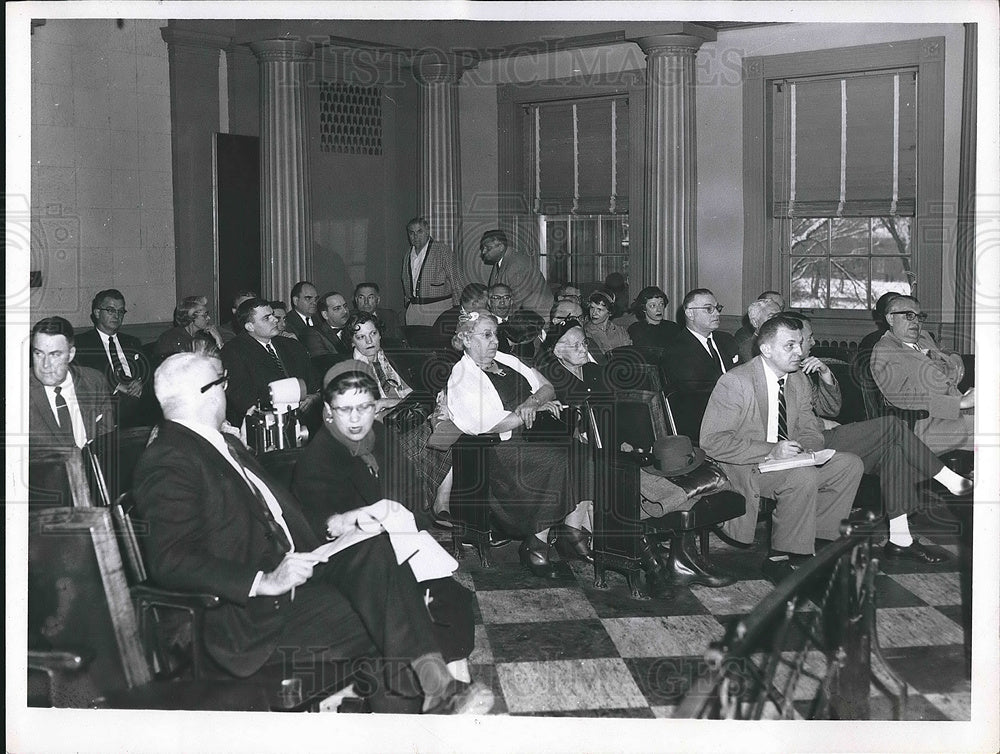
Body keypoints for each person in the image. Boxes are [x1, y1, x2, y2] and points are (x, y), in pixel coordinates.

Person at [132, 352, 493, 715]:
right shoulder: (169, 456)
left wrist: (343, 527)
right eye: (222, 381)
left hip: (303, 568)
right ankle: (429, 699)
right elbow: (171, 558)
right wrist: (263, 580)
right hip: (251, 614)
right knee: (399, 608)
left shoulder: (221, 443)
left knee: (380, 554)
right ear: (207, 392)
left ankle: (435, 692)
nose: (227, 390)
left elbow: (276, 518)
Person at [290, 364, 472, 673]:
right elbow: (320, 526)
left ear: (376, 407)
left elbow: (412, 495)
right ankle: (447, 687)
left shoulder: (382, 434)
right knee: (422, 597)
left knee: (448, 595)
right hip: (350, 558)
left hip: (399, 541)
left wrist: (404, 525)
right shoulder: (319, 455)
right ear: (330, 412)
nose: (356, 418)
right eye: (345, 409)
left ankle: (457, 682)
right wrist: (358, 520)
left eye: (364, 407)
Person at [789, 313, 970, 563]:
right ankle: (952, 481)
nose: (812, 341)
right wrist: (820, 423)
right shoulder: (779, 371)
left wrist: (826, 374)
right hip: (809, 440)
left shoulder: (801, 370)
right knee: (893, 425)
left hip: (824, 433)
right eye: (808, 338)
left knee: (894, 452)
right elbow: (789, 422)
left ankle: (900, 539)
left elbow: (831, 409)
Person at [700, 315, 865, 583]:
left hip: (787, 462)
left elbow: (811, 429)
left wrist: (809, 453)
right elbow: (713, 442)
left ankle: (817, 542)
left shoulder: (797, 380)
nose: (800, 352)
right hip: (748, 466)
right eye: (790, 346)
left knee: (849, 464)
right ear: (766, 349)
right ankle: (781, 558)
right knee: (802, 476)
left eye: (800, 343)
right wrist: (772, 450)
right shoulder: (736, 382)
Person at [447, 311, 591, 576]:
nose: (494, 341)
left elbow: (547, 387)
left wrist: (532, 404)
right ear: (466, 340)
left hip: (532, 436)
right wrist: (529, 413)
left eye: (495, 334)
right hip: (497, 450)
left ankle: (572, 532)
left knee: (584, 453)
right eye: (486, 335)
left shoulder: (506, 359)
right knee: (560, 459)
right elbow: (486, 425)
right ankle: (536, 544)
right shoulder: (461, 377)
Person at [871, 296, 974, 453]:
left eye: (919, 317)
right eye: (909, 315)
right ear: (891, 318)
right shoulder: (884, 350)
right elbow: (903, 397)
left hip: (952, 415)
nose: (916, 322)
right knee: (988, 427)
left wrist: (953, 354)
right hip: (922, 425)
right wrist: (960, 403)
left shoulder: (924, 338)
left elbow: (942, 353)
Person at [221, 298, 320, 429]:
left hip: (305, 424)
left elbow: (314, 383)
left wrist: (314, 397)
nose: (275, 320)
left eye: (273, 314)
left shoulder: (292, 345)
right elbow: (242, 399)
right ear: (250, 326)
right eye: (267, 318)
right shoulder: (233, 352)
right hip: (263, 428)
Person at [29, 316, 115, 451]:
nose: (45, 365)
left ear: (71, 354)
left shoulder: (94, 381)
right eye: (39, 354)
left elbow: (106, 436)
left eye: (55, 355)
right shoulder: (18, 390)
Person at [73, 288, 149, 427]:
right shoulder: (82, 343)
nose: (117, 315)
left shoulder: (132, 342)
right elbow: (83, 378)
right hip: (108, 405)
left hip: (139, 402)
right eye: (111, 310)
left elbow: (146, 370)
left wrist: (140, 382)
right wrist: (118, 386)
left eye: (121, 311)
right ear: (97, 313)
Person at [661, 288, 739, 392]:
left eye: (717, 308)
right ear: (690, 314)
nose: (717, 314)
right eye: (709, 309)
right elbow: (694, 392)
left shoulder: (727, 339)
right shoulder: (676, 350)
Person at [341, 311, 413, 416]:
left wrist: (386, 402)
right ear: (352, 342)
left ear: (380, 335)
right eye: (361, 337)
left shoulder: (395, 358)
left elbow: (416, 393)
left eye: (373, 333)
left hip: (408, 414)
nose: (369, 341)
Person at [480, 229, 553, 322]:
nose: (483, 252)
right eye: (483, 248)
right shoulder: (501, 261)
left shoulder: (516, 265)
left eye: (488, 248)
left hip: (537, 319)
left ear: (501, 247)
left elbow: (516, 303)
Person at [402, 216, 458, 327]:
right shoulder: (408, 254)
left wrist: (457, 309)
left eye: (419, 232)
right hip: (414, 310)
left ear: (427, 231)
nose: (415, 236)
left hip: (439, 309)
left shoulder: (442, 250)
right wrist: (408, 303)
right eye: (411, 233)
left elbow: (456, 280)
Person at [156, 295, 225, 360]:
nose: (208, 318)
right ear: (191, 317)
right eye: (204, 315)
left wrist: (218, 339)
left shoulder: (201, 337)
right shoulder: (171, 339)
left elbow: (220, 361)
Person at [488, 283, 544, 362]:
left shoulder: (523, 321)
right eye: (497, 298)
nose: (502, 302)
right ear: (489, 302)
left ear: (511, 301)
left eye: (506, 297)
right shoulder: (484, 325)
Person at [301, 291, 352, 357]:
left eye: (345, 306)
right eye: (337, 308)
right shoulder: (313, 333)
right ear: (325, 314)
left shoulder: (355, 327)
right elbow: (325, 361)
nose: (345, 311)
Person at [582, 289, 631, 356]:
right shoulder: (584, 332)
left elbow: (629, 355)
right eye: (592, 308)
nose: (594, 313)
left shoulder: (621, 332)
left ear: (610, 312)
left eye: (599, 309)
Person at [736, 298, 782, 364]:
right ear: (755, 322)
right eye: (771, 316)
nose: (778, 320)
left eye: (779, 316)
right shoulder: (748, 348)